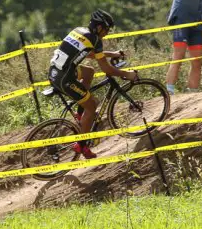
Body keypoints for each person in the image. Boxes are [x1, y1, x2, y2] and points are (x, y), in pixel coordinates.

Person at [48, 9, 138, 159]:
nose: (107, 33)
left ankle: (80, 114)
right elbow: (107, 69)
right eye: (107, 29)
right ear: (99, 27)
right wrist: (127, 74)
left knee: (89, 72)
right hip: (65, 78)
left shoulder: (79, 30)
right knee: (93, 104)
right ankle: (81, 145)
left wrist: (112, 54)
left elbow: (87, 53)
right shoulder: (96, 39)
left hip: (54, 72)